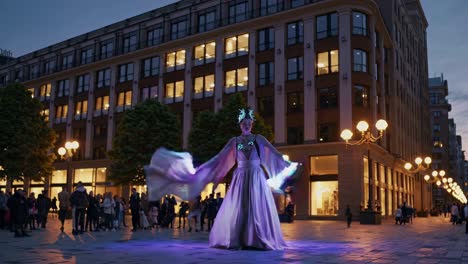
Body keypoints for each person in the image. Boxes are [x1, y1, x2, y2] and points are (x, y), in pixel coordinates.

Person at [145, 108, 298, 250]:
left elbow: (273, 152)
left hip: (255, 176)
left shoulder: (259, 138)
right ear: (240, 124)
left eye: (249, 123)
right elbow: (220, 157)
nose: (246, 125)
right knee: (241, 206)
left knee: (255, 205)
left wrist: (287, 164)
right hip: (241, 175)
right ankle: (241, 238)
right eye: (244, 123)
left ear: (252, 124)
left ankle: (257, 237)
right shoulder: (235, 141)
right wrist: (204, 169)